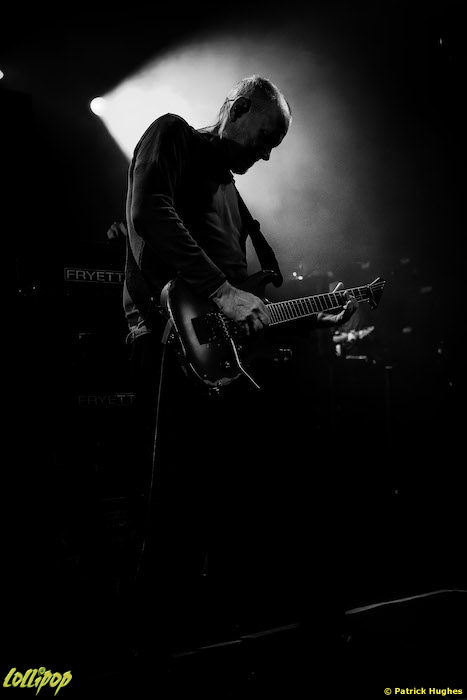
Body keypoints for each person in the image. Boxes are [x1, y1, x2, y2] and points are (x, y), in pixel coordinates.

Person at [120, 75, 358, 661]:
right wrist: (224, 292)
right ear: (239, 108)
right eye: (266, 137)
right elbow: (148, 212)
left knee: (241, 499)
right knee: (171, 505)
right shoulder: (172, 136)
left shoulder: (232, 193)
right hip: (171, 343)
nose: (268, 154)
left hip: (221, 358)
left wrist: (307, 318)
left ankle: (242, 639)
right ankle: (150, 650)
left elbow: (242, 305)